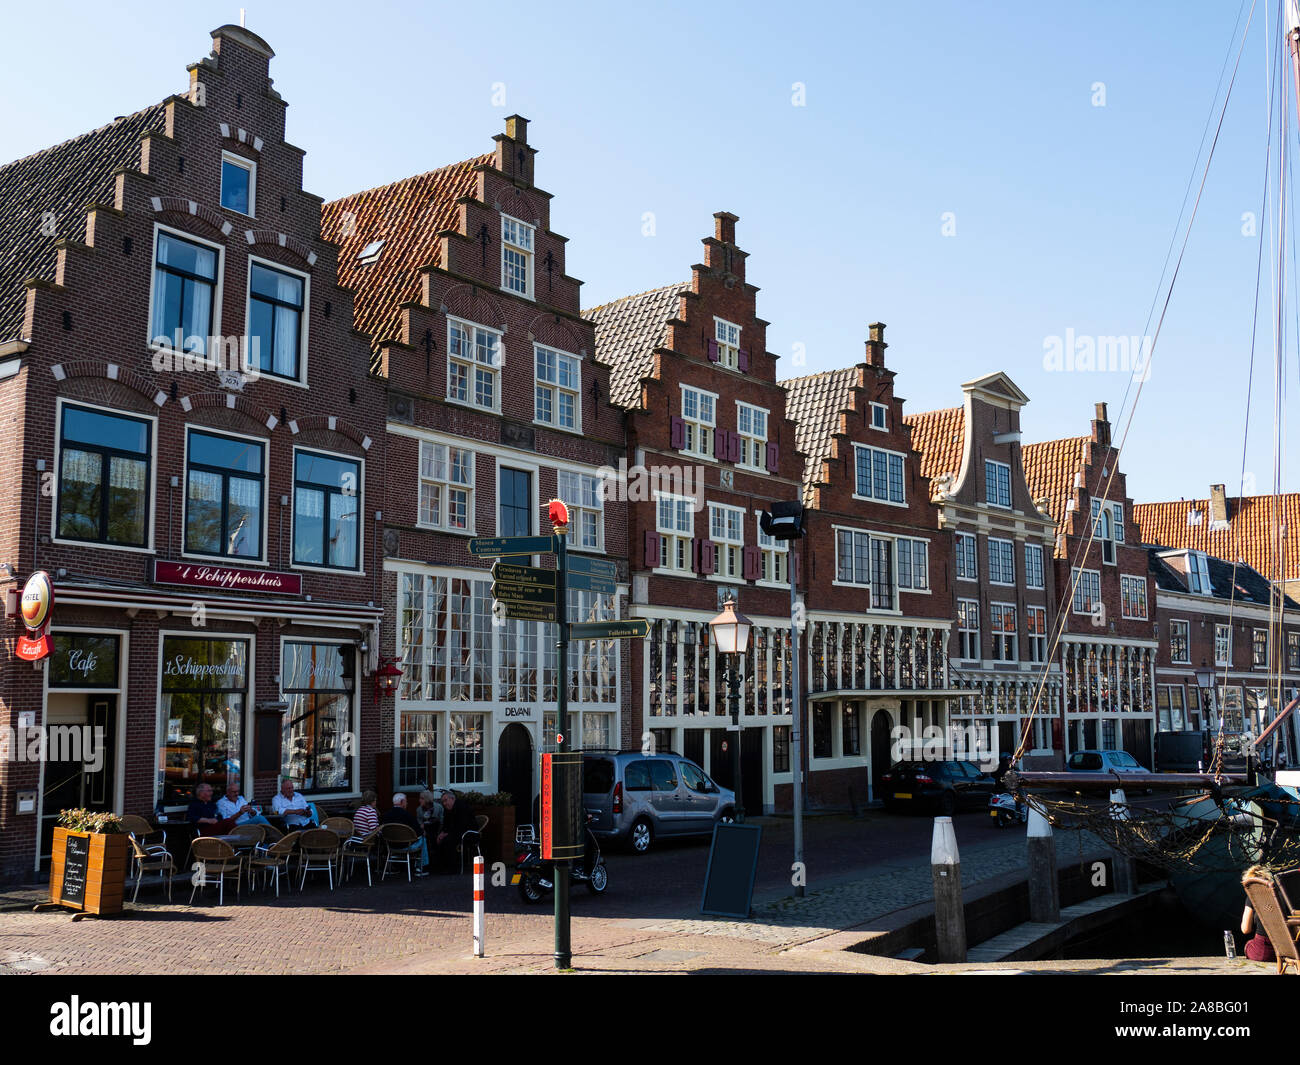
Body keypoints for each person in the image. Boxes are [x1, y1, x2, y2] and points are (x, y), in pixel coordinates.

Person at [380, 793, 427, 876]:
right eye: (406, 801)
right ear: (402, 802)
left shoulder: (385, 815)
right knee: (423, 838)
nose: (407, 803)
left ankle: (394, 865)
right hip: (407, 846)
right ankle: (420, 867)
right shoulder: (408, 815)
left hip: (391, 846)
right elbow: (419, 832)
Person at [434, 790, 477, 873]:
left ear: (452, 799)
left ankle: (452, 868)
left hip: (468, 833)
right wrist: (442, 833)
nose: (444, 803)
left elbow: (462, 825)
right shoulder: (447, 809)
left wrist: (447, 834)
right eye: (443, 802)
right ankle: (441, 866)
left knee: (448, 840)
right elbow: (446, 824)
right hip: (457, 832)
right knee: (438, 838)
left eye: (446, 800)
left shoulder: (462, 807)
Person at [1241, 864, 1278, 962]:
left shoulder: (1252, 897)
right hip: (1289, 950)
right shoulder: (1282, 894)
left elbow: (1245, 929)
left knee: (1248, 945)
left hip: (1264, 951)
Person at [416, 790, 441, 873]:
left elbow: (442, 822)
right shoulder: (419, 810)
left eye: (422, 798)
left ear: (427, 799)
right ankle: (426, 865)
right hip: (425, 832)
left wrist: (440, 833)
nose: (419, 800)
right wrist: (423, 830)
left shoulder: (438, 807)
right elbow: (419, 824)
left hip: (438, 831)